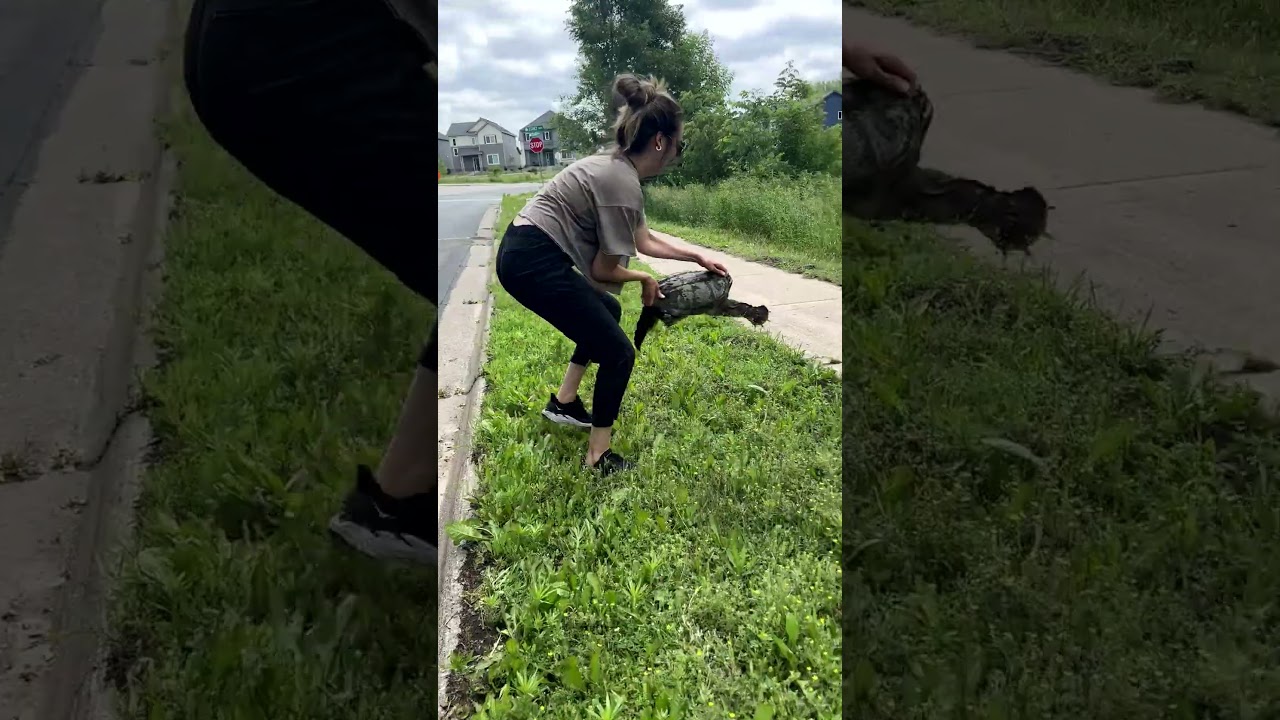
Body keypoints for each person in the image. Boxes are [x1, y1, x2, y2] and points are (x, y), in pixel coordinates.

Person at [182, 0, 438, 565]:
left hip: (262, 37)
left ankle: (400, 504)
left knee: (464, 270)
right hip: (296, 47)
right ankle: (398, 507)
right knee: (474, 269)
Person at [495, 74, 727, 476]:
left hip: (523, 252)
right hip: (531, 262)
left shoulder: (618, 169)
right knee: (618, 353)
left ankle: (564, 403)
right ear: (660, 141)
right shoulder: (621, 183)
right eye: (680, 144)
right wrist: (644, 280)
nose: (677, 153)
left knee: (608, 309)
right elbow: (602, 270)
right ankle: (598, 456)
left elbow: (643, 239)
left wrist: (695, 256)